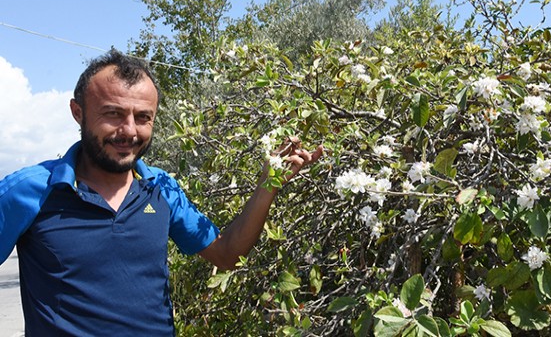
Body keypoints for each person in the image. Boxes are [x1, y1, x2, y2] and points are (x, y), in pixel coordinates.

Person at [0, 49, 323, 336]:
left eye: (143, 117)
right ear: (78, 112)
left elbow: (226, 254)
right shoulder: (30, 190)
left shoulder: (161, 187)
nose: (129, 131)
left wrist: (269, 184)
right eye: (113, 113)